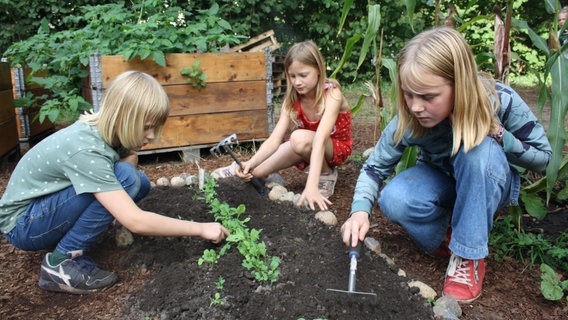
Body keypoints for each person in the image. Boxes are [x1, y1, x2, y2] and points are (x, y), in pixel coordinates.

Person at [340, 27, 551, 303]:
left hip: (490, 181)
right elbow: (373, 168)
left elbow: (544, 158)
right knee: (394, 198)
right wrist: (359, 212)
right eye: (409, 94)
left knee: (476, 149)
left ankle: (468, 255)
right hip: (442, 183)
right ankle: (454, 239)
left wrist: (499, 134)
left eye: (428, 97)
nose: (415, 107)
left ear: (459, 85)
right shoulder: (411, 120)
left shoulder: (499, 100)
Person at [0, 71, 229, 294]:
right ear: (122, 117)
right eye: (146, 127)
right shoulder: (87, 149)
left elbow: (130, 156)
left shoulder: (108, 131)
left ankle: (86, 226)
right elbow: (136, 221)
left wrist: (120, 193)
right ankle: (61, 263)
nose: (151, 136)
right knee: (128, 180)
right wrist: (200, 228)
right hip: (23, 224)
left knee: (137, 181)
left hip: (43, 210)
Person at [213, 40, 352, 211]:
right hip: (306, 145)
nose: (297, 82)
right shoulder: (293, 99)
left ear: (318, 70)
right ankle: (241, 166)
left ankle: (326, 174)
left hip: (334, 148)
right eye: (292, 76)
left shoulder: (332, 95)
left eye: (303, 75)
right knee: (255, 173)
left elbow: (320, 140)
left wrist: (311, 185)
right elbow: (275, 139)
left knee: (298, 137)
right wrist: (252, 162)